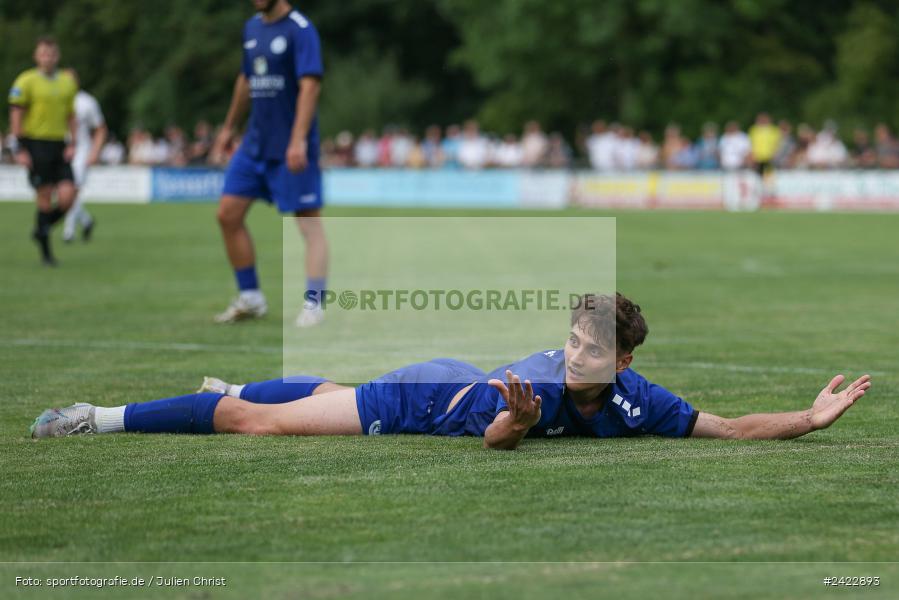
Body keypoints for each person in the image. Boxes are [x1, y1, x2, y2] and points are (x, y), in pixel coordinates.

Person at [31, 293, 871, 448]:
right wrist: (519, 421)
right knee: (252, 425)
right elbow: (498, 442)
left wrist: (803, 419)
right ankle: (97, 416)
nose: (574, 351)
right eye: (570, 340)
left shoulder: (633, 397)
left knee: (321, 393)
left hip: (452, 375)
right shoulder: (542, 388)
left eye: (590, 347)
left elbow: (722, 428)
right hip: (423, 400)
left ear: (621, 361)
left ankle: (239, 383)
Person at [211, 0, 327, 326]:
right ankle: (251, 297)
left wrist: (298, 138)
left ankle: (314, 304)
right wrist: (228, 128)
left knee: (308, 223)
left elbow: (310, 86)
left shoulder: (301, 29)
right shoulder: (252, 27)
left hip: (290, 146)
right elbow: (245, 81)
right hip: (254, 145)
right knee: (227, 214)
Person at [7, 36, 78, 266]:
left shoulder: (67, 83)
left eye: (52, 54)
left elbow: (71, 115)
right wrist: (19, 147)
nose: (48, 58)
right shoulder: (26, 81)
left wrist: (73, 142)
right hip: (35, 144)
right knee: (45, 198)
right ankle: (47, 255)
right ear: (36, 56)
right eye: (43, 54)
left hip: (59, 144)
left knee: (69, 195)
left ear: (58, 56)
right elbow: (16, 114)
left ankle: (41, 228)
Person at [62, 70, 106, 243]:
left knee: (73, 191)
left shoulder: (87, 102)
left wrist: (94, 152)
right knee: (63, 193)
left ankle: (69, 232)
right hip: (61, 150)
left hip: (81, 150)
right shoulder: (55, 99)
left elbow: (100, 128)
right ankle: (86, 221)